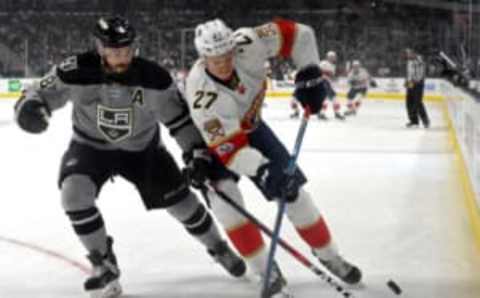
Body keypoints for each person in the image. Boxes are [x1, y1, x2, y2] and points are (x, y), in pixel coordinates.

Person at [13, 16, 245, 298]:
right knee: (73, 194)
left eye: (126, 50)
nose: (121, 57)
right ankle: (103, 263)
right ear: (99, 47)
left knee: (183, 204)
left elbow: (180, 122)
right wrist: (29, 108)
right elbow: (37, 93)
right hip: (90, 148)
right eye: (113, 51)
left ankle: (218, 246)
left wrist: (195, 154)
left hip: (143, 151)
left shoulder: (155, 78)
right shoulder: (74, 69)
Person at [183, 19, 362, 298]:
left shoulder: (249, 42)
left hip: (254, 129)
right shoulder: (201, 93)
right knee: (226, 205)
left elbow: (301, 34)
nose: (224, 64)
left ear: (234, 47)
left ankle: (329, 256)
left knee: (294, 194)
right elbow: (231, 151)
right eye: (215, 59)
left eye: (228, 55)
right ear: (203, 56)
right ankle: (265, 269)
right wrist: (264, 170)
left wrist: (310, 73)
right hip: (218, 145)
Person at [405, 48, 429, 128]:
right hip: (411, 83)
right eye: (407, 53)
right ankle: (414, 121)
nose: (407, 55)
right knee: (409, 102)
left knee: (418, 102)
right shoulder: (409, 61)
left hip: (418, 83)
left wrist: (416, 80)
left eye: (409, 53)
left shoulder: (419, 60)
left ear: (414, 53)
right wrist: (407, 81)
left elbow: (421, 72)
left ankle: (426, 121)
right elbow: (410, 72)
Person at [317, 51, 345, 120]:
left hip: (327, 83)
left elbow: (331, 77)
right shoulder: (323, 63)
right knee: (327, 98)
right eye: (332, 57)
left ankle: (336, 113)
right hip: (323, 82)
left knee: (334, 99)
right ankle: (322, 113)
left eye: (334, 57)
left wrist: (334, 78)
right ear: (328, 57)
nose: (333, 58)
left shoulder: (333, 66)